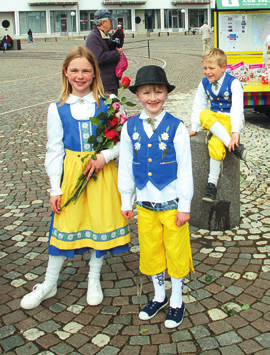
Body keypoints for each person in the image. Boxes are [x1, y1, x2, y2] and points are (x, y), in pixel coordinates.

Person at [20, 46, 130, 310]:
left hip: (102, 172)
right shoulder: (56, 108)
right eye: (74, 70)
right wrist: (54, 189)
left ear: (94, 74)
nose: (80, 76)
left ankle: (94, 278)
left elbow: (123, 141)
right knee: (64, 226)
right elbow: (54, 150)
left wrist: (105, 156)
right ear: (66, 73)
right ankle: (49, 282)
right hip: (72, 174)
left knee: (100, 223)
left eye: (86, 71)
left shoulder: (109, 103)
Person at [118, 65, 194, 329]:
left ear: (167, 94)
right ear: (137, 95)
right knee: (151, 251)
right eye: (147, 92)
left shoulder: (177, 127)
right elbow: (126, 165)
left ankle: (177, 300)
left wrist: (185, 205)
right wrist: (126, 200)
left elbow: (185, 169)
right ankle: (159, 296)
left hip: (172, 204)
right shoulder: (129, 128)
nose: (153, 98)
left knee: (176, 251)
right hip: (146, 204)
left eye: (159, 91)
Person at [189, 48, 246, 202]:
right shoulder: (204, 83)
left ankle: (211, 185)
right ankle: (234, 147)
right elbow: (199, 104)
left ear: (223, 68)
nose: (207, 72)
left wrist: (235, 132)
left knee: (215, 144)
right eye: (205, 68)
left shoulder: (233, 83)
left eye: (211, 68)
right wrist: (194, 127)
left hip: (228, 119)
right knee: (204, 114)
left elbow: (236, 109)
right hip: (213, 119)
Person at [86, 10, 122, 96]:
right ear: (103, 22)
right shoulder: (93, 37)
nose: (111, 23)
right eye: (110, 21)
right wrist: (116, 53)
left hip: (109, 81)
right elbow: (99, 58)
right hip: (103, 83)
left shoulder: (103, 35)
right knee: (107, 107)